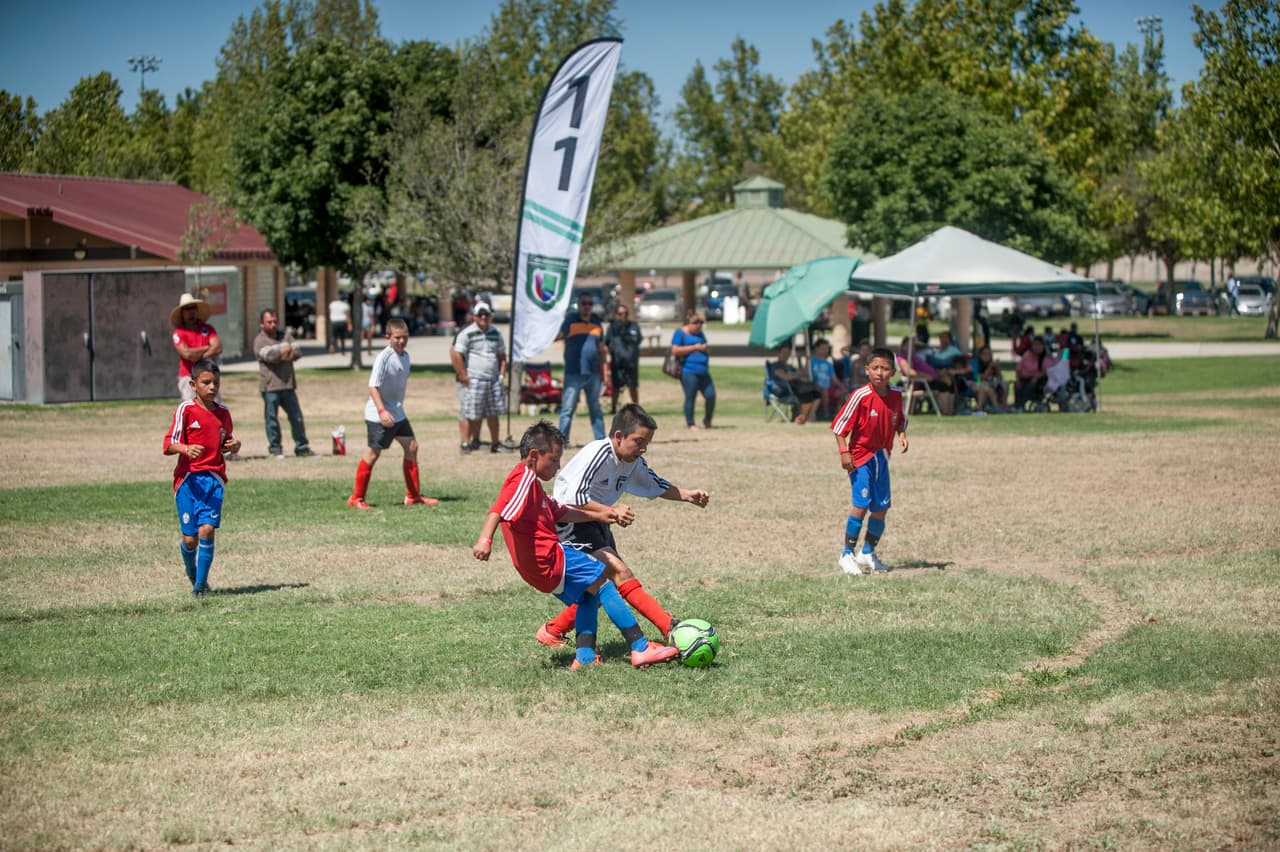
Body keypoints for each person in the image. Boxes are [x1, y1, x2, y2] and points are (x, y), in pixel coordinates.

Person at [472, 420, 680, 670]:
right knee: (603, 583)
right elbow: (498, 509)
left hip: (535, 570)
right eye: (555, 460)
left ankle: (585, 657)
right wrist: (485, 540)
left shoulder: (534, 488)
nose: (558, 467)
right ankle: (640, 648)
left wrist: (601, 514)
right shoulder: (523, 479)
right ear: (534, 455)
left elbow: (561, 511)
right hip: (549, 558)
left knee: (587, 595)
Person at [534, 404, 710, 647]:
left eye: (647, 443)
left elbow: (655, 483)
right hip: (571, 524)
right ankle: (668, 627)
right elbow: (572, 497)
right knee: (619, 573)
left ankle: (552, 631)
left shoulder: (632, 461)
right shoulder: (598, 453)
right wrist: (611, 511)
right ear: (619, 436)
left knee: (596, 591)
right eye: (639, 441)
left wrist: (687, 494)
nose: (643, 448)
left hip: (597, 524)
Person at [163, 359, 241, 598]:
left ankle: (200, 585)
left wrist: (234, 446)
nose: (212, 387)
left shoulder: (223, 413)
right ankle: (192, 570)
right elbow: (168, 444)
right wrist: (185, 449)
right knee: (190, 539)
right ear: (193, 384)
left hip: (213, 479)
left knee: (207, 529)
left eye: (216, 383)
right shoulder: (185, 410)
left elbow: (225, 443)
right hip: (188, 481)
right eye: (206, 382)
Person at [346, 318, 440, 509]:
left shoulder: (405, 356)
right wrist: (382, 411)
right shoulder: (384, 358)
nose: (401, 341)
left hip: (397, 413)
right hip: (380, 414)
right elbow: (373, 387)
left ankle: (413, 496)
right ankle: (356, 498)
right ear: (388, 337)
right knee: (373, 453)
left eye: (404, 337)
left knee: (412, 447)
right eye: (397, 337)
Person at [831, 347, 909, 575]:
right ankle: (846, 554)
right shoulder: (860, 396)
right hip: (860, 456)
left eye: (885, 369)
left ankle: (867, 552)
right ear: (867, 370)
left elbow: (899, 419)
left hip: (882, 457)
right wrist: (844, 452)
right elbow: (839, 426)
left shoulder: (896, 395)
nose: (880, 373)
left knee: (881, 507)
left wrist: (902, 434)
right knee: (861, 504)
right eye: (875, 368)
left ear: (893, 371)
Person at [451, 301, 512, 455]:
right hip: (475, 379)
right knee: (469, 412)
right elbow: (456, 354)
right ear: (474, 316)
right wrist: (463, 375)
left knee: (493, 413)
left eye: (486, 314)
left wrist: (501, 375)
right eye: (480, 314)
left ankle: (495, 443)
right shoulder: (466, 333)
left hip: (493, 380)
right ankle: (465, 443)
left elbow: (501, 355)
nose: (483, 317)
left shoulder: (496, 333)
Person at [253, 309, 313, 459]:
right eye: (269, 322)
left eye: (275, 321)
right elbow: (270, 357)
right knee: (272, 419)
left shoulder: (285, 335)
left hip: (288, 385)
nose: (273, 325)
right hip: (270, 387)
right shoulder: (259, 341)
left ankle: (302, 447)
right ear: (262, 324)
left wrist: (282, 353)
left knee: (296, 418)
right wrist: (285, 350)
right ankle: (275, 448)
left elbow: (297, 352)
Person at [555, 294, 606, 445]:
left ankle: (601, 442)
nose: (587, 306)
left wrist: (605, 371)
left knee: (595, 409)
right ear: (578, 304)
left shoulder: (597, 323)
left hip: (593, 373)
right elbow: (558, 336)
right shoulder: (570, 320)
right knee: (567, 410)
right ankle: (562, 442)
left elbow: (601, 349)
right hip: (574, 372)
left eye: (590, 303)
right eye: (584, 303)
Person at [170, 293, 222, 402]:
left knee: (213, 408)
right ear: (182, 313)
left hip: (209, 373)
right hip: (189, 376)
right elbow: (187, 354)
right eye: (187, 309)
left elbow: (217, 348)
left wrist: (197, 356)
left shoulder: (208, 328)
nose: (191, 312)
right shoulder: (179, 333)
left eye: (193, 308)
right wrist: (207, 347)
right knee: (191, 409)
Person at [672, 310, 715, 430]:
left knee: (711, 395)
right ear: (689, 322)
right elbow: (675, 350)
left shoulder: (700, 333)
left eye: (701, 323)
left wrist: (706, 349)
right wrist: (694, 347)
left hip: (703, 371)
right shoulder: (680, 333)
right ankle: (690, 423)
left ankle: (707, 419)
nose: (698, 325)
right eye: (696, 323)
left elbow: (706, 347)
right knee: (690, 397)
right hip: (688, 370)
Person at [896, 337, 954, 415]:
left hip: (931, 378)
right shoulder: (902, 358)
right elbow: (908, 372)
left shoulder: (914, 357)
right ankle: (946, 412)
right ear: (903, 346)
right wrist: (925, 376)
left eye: (913, 346)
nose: (912, 348)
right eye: (909, 346)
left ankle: (951, 411)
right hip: (921, 382)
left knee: (950, 384)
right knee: (944, 387)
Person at [767, 343, 822, 424]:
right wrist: (797, 375)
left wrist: (806, 361)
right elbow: (786, 377)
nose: (786, 355)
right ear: (778, 354)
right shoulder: (776, 365)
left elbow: (804, 373)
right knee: (807, 394)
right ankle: (803, 417)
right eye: (783, 353)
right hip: (783, 390)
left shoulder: (789, 366)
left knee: (816, 393)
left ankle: (808, 416)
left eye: (788, 354)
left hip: (794, 388)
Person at [604, 303, 642, 414]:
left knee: (633, 387)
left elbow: (638, 340)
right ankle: (613, 408)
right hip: (617, 363)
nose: (623, 316)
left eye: (625, 313)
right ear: (616, 315)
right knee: (616, 387)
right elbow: (607, 342)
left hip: (631, 363)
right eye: (620, 314)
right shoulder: (612, 328)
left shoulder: (634, 326)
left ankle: (637, 410)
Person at [1014, 336, 1057, 410]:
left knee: (1029, 387)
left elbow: (1049, 370)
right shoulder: (1027, 355)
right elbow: (1018, 369)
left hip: (1039, 380)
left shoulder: (1046, 357)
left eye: (1039, 345)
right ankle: (1018, 406)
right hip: (1024, 378)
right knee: (1018, 386)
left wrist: (1037, 377)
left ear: (1043, 346)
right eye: (1035, 345)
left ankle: (1022, 405)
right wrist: (1017, 380)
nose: (1037, 347)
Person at [809, 338, 848, 416]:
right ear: (817, 349)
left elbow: (834, 378)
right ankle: (826, 413)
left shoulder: (828, 363)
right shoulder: (811, 361)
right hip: (815, 387)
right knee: (824, 390)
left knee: (843, 392)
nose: (825, 351)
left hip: (829, 388)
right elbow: (807, 374)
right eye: (823, 348)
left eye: (826, 349)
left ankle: (838, 412)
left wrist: (842, 387)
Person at [972, 345, 1009, 412]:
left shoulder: (992, 363)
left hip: (991, 382)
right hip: (979, 383)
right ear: (980, 355)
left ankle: (1003, 405)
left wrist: (997, 368)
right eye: (984, 354)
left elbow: (1000, 378)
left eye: (988, 354)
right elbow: (980, 378)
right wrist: (989, 367)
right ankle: (996, 409)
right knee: (987, 387)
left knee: (1005, 383)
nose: (986, 356)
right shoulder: (977, 363)